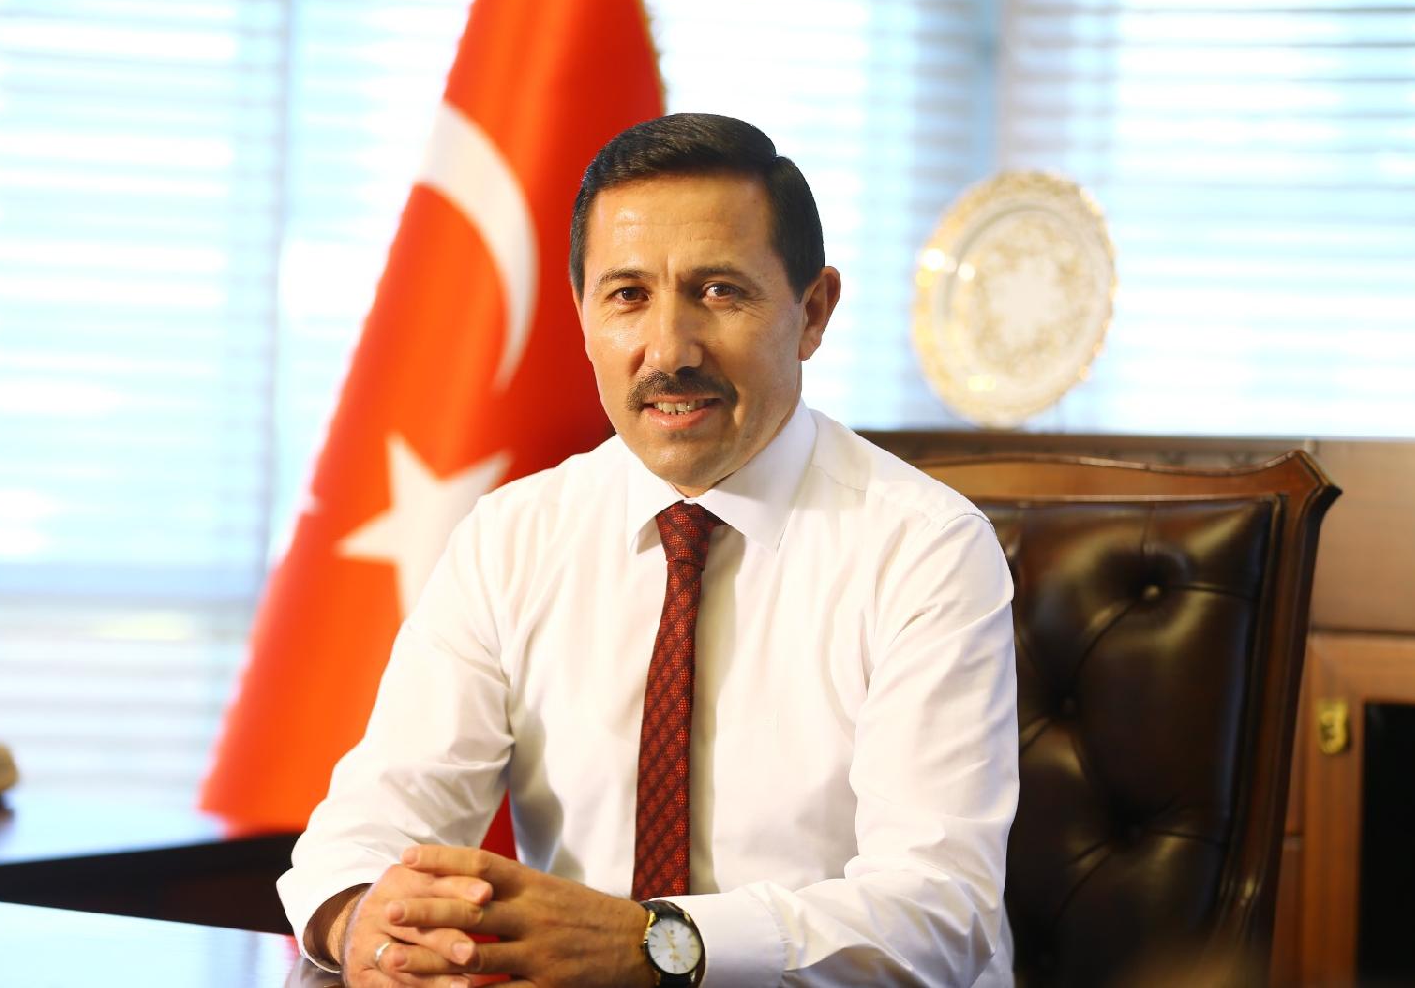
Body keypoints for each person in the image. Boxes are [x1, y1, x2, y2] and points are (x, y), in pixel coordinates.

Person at [279, 112, 1018, 987]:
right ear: (583, 316)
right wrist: (363, 919)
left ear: (813, 312)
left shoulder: (926, 548)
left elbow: (939, 913)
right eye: (627, 295)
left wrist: (658, 943)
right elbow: (368, 826)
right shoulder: (511, 536)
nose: (668, 349)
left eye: (719, 291)